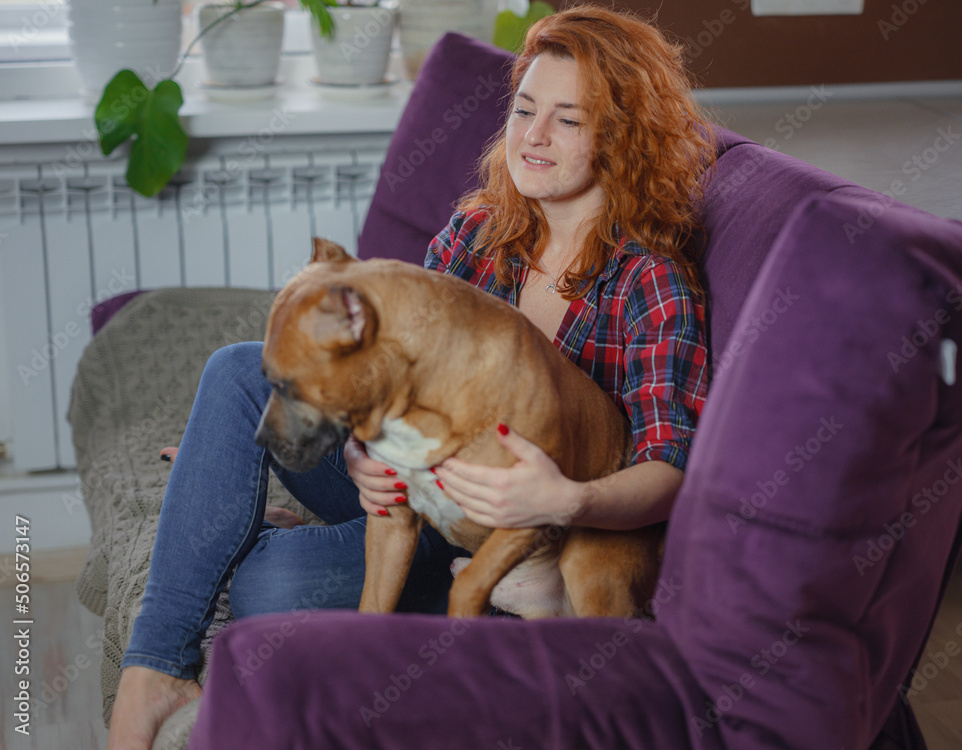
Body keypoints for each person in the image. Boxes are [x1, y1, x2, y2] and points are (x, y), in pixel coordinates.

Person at [106, 5, 716, 749]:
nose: (532, 136)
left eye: (569, 120)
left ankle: (513, 602)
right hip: (403, 478)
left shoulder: (651, 283)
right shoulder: (479, 228)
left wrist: (567, 497)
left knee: (266, 589)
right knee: (236, 370)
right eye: (525, 109)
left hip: (507, 520)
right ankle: (156, 666)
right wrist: (363, 459)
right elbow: (382, 370)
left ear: (622, 137)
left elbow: (668, 468)